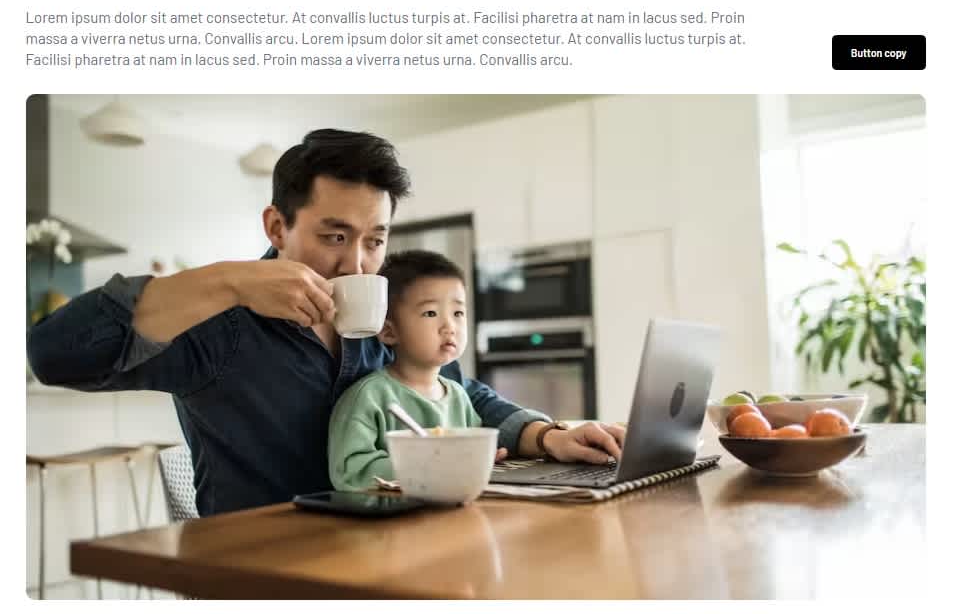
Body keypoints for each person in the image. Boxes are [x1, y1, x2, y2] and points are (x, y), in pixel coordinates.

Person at [26, 128, 625, 516]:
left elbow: (456, 392)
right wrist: (229, 281)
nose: (356, 262)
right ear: (277, 228)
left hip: (388, 551)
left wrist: (546, 436)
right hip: (265, 572)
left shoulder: (383, 317)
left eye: (375, 240)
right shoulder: (219, 321)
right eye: (335, 236)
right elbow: (53, 354)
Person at [329, 250, 488, 491]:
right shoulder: (369, 397)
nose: (450, 327)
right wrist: (426, 465)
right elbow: (351, 471)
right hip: (389, 523)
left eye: (458, 313)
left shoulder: (459, 396)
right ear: (389, 331)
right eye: (430, 313)